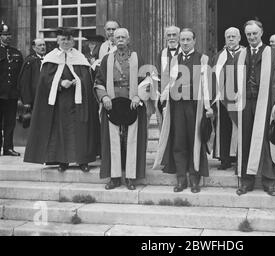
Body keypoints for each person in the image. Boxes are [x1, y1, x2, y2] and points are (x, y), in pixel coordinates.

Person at [24, 28, 100, 172]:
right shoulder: (50, 58)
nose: (66, 42)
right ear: (58, 41)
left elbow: (87, 79)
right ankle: (62, 161)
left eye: (69, 39)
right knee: (60, 131)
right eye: (63, 39)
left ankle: (83, 161)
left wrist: (78, 81)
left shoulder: (80, 57)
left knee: (80, 130)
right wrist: (59, 83)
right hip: (59, 103)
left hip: (78, 102)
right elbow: (44, 81)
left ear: (73, 41)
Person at [153, 28, 213, 193]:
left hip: (195, 106)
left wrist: (208, 107)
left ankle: (194, 178)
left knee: (195, 140)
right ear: (179, 41)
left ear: (194, 41)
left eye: (188, 39)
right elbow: (170, 83)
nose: (185, 43)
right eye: (183, 40)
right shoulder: (174, 60)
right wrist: (163, 100)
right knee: (179, 141)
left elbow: (206, 84)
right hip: (177, 105)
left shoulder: (203, 59)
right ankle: (181, 178)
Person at [234, 20, 275, 197]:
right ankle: (246, 182)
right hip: (245, 103)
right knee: (246, 140)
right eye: (248, 34)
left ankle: (268, 181)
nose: (252, 37)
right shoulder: (241, 54)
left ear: (261, 32)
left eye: (255, 33)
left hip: (267, 103)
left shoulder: (273, 54)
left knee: (266, 141)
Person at [95, 28, 148, 190]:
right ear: (113, 39)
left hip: (132, 103)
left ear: (128, 39)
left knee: (132, 140)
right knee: (112, 141)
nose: (120, 40)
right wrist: (104, 97)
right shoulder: (106, 59)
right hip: (112, 103)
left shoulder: (138, 58)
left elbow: (147, 79)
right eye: (117, 37)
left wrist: (138, 96)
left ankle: (131, 177)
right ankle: (115, 177)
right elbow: (99, 80)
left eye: (123, 37)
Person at [211, 27, 245, 170]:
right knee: (224, 129)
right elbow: (212, 77)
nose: (231, 39)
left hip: (240, 98)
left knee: (240, 129)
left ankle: (240, 158)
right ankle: (225, 159)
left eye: (233, 36)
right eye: (228, 36)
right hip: (223, 98)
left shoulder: (245, 53)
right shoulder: (219, 56)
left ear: (239, 38)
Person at [0, 21, 23, 156]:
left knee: (10, 122)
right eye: (5, 34)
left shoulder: (16, 53)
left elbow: (20, 74)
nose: (8, 37)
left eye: (9, 34)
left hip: (12, 94)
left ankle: (8, 148)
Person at [156, 26, 181, 129]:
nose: (171, 37)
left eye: (174, 35)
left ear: (179, 36)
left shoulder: (184, 52)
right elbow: (158, 75)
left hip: (181, 95)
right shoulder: (161, 53)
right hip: (165, 96)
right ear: (165, 37)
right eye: (169, 35)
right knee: (166, 126)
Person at [18, 38, 46, 111]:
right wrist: (27, 101)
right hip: (34, 97)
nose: (42, 47)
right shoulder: (30, 61)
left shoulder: (49, 59)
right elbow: (25, 82)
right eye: (40, 45)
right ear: (34, 47)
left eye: (44, 45)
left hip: (47, 97)